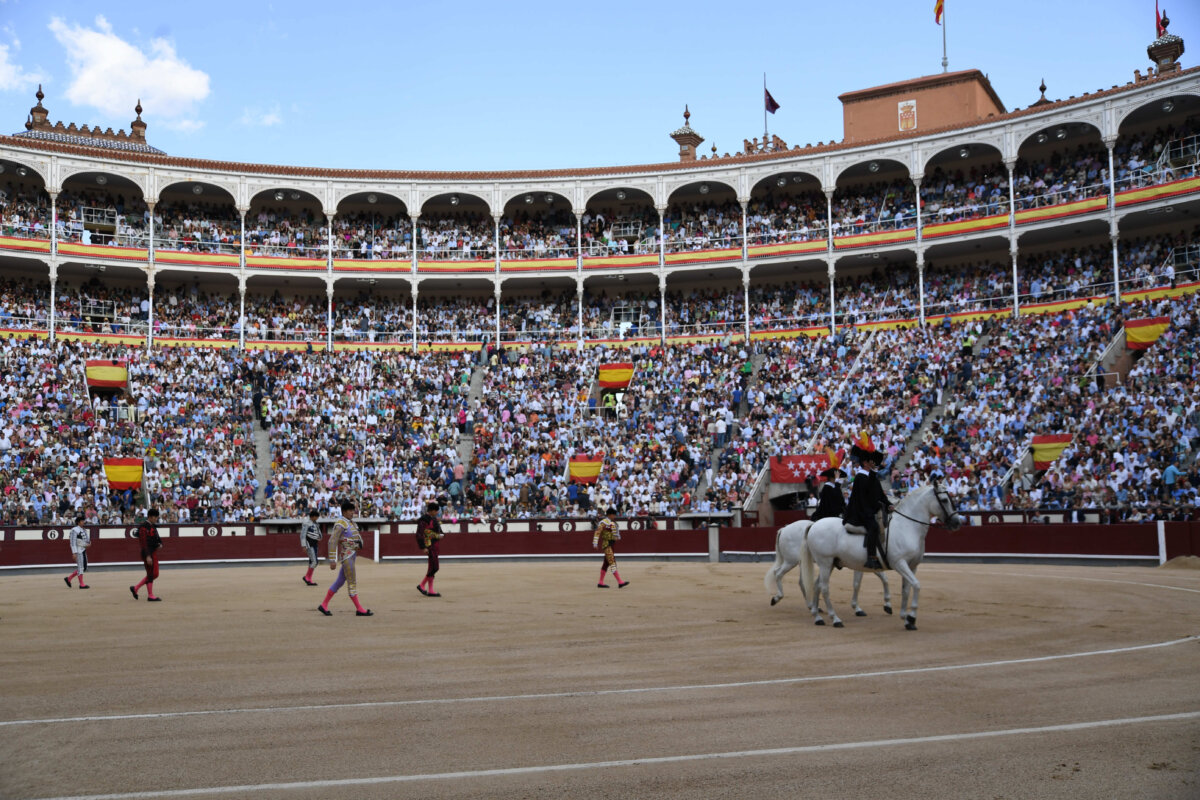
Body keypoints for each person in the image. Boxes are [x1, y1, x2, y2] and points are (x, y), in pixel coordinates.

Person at [317, 500, 372, 617]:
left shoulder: (350, 523)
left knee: (339, 582)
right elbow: (332, 541)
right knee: (352, 582)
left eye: (353, 510)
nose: (353, 512)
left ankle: (324, 604)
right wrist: (332, 560)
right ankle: (359, 609)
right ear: (344, 511)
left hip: (351, 555)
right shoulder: (341, 523)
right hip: (347, 556)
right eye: (350, 510)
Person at [844, 446, 892, 571]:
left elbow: (880, 494)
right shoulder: (860, 477)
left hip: (870, 509)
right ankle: (871, 557)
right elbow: (862, 499)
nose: (873, 463)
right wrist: (869, 513)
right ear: (865, 462)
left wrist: (888, 504)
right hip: (861, 512)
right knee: (874, 526)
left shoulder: (871, 476)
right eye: (870, 461)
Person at [130, 509, 163, 601]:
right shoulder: (143, 527)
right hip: (148, 553)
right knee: (151, 574)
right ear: (151, 517)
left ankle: (136, 588)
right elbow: (143, 543)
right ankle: (150, 595)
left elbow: (157, 537)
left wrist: (160, 544)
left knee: (155, 574)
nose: (156, 519)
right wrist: (148, 556)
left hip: (153, 552)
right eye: (155, 517)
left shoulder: (152, 526)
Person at [592, 507, 628, 588]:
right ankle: (620, 582)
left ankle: (600, 582)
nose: (614, 516)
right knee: (612, 562)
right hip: (607, 544)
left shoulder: (612, 523)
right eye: (614, 515)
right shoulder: (604, 522)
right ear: (610, 515)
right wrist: (595, 543)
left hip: (611, 544)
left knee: (606, 563)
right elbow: (598, 532)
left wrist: (617, 536)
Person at [416, 501, 444, 597]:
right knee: (435, 567)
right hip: (429, 546)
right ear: (431, 511)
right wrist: (423, 547)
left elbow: (440, 532)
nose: (437, 513)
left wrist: (441, 534)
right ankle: (422, 584)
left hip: (435, 545)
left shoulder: (434, 519)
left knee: (431, 567)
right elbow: (419, 534)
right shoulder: (423, 519)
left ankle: (431, 590)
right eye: (436, 511)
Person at [64, 514, 91, 589]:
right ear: (78, 522)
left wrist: (88, 544)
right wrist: (74, 552)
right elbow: (72, 542)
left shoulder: (84, 530)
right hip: (78, 551)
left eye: (83, 521)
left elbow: (87, 540)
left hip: (83, 550)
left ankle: (69, 578)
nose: (83, 522)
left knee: (84, 567)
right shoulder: (74, 530)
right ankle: (81, 584)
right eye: (82, 521)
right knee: (81, 567)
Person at [300, 508, 322, 586]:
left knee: (312, 562)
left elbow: (318, 531)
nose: (317, 518)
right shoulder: (306, 523)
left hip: (315, 543)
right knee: (314, 562)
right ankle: (307, 577)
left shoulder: (315, 523)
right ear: (313, 516)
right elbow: (303, 535)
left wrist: (319, 536)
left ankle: (308, 578)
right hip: (309, 544)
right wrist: (304, 546)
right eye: (317, 517)